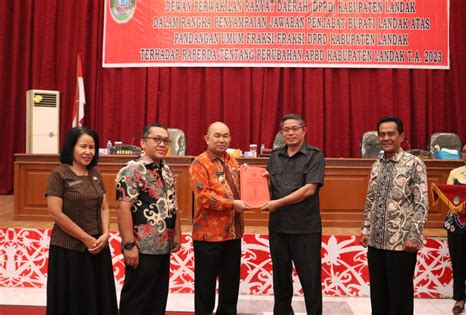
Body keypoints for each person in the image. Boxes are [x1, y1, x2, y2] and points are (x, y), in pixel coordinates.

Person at [45, 127, 118, 315]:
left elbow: (103, 206)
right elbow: (56, 213)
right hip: (69, 249)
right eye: (83, 146)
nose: (88, 152)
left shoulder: (95, 173)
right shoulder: (58, 174)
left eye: (92, 147)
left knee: (98, 298)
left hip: (97, 246)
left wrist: (105, 234)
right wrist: (86, 238)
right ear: (71, 147)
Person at [360, 116, 429, 315]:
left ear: (402, 136)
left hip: (401, 243)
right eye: (382, 134)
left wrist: (414, 235)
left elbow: (422, 202)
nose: (386, 138)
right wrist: (365, 228)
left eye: (391, 133)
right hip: (376, 242)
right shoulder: (377, 165)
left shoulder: (414, 164)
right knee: (378, 296)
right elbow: (370, 200)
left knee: (400, 298)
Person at [262, 113, 325, 315]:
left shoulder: (315, 155)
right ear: (281, 133)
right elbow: (271, 188)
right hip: (279, 227)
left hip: (305, 228)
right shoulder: (275, 155)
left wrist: (278, 203)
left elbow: (309, 189)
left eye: (294, 128)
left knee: (310, 281)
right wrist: (256, 178)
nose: (290, 133)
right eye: (286, 130)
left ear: (304, 130)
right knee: (280, 281)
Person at [116, 123, 181, 315]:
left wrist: (176, 233)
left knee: (157, 300)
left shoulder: (166, 168)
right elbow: (123, 208)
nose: (162, 144)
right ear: (143, 143)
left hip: (163, 246)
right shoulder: (132, 169)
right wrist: (129, 246)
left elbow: (173, 203)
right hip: (142, 247)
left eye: (166, 140)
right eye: (157, 139)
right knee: (136, 301)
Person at [189, 121, 250, 315]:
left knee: (230, 286)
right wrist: (233, 205)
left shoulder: (233, 160)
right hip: (208, 236)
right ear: (207, 138)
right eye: (217, 135)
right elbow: (205, 198)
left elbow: (239, 188)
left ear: (230, 139)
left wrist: (249, 177)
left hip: (232, 233)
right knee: (205, 288)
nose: (222, 140)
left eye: (225, 136)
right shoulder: (200, 162)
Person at [444, 139, 466, 314]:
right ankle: (459, 299)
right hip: (456, 224)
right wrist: (457, 204)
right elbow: (448, 194)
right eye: (464, 151)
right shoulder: (455, 172)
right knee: (458, 263)